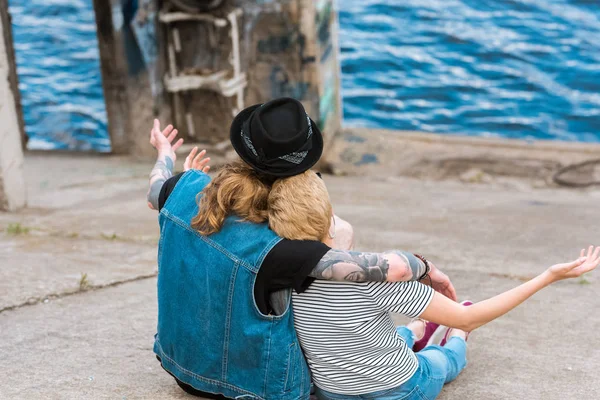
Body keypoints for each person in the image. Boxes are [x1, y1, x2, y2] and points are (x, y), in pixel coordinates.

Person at [145, 97, 456, 399]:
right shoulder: (280, 250)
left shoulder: (186, 188)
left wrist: (165, 153)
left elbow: (154, 189)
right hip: (249, 387)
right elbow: (393, 269)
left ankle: (408, 334)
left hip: (181, 369)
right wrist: (426, 268)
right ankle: (367, 356)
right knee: (339, 231)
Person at [266, 171, 600, 400]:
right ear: (329, 218)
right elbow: (470, 317)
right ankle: (451, 340)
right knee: (441, 359)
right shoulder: (374, 277)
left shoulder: (278, 274)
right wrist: (548, 276)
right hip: (399, 387)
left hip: (335, 391)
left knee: (389, 337)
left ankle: (414, 329)